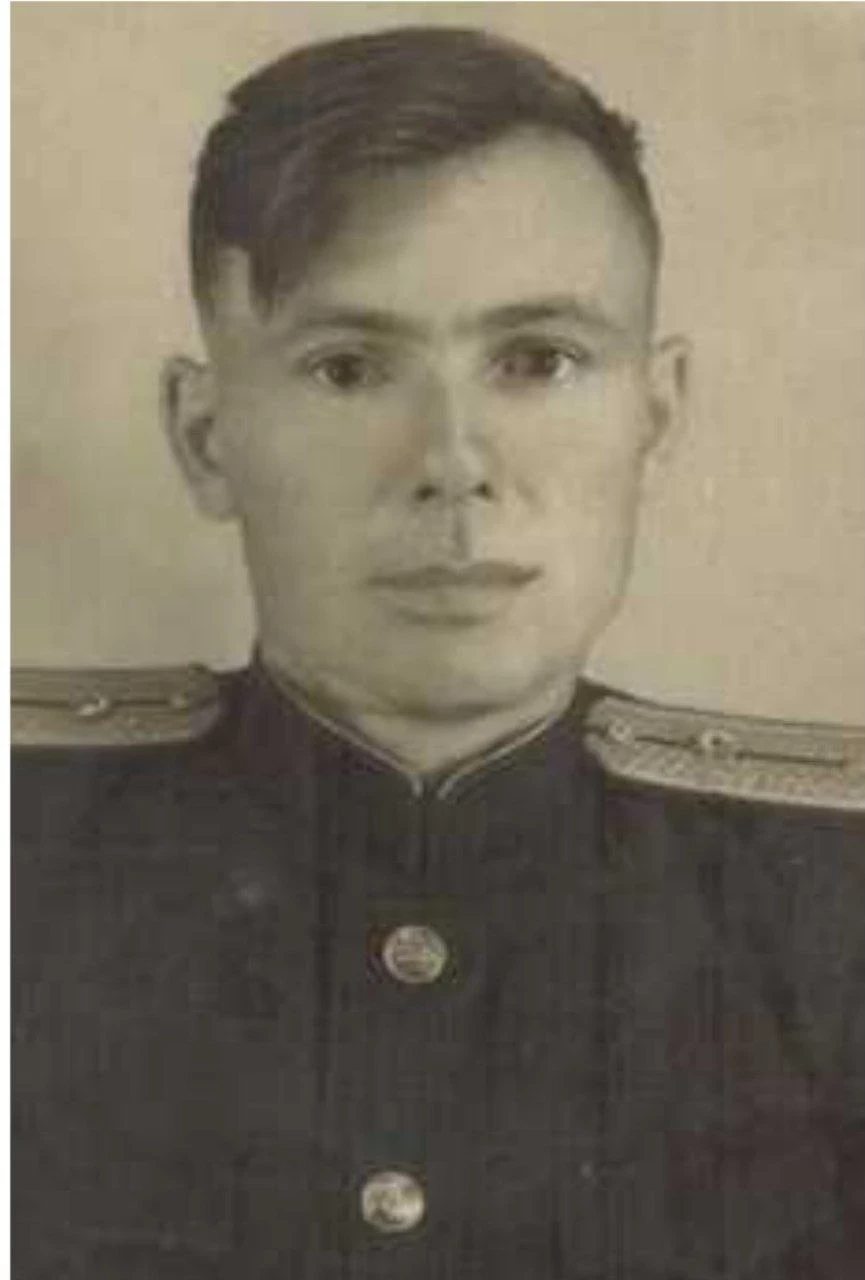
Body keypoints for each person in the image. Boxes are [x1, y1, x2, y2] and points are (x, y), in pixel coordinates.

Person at [12, 25, 865, 1280]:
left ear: (655, 413)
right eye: (349, 367)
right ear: (205, 436)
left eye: (538, 360)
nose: (454, 462)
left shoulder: (829, 900)